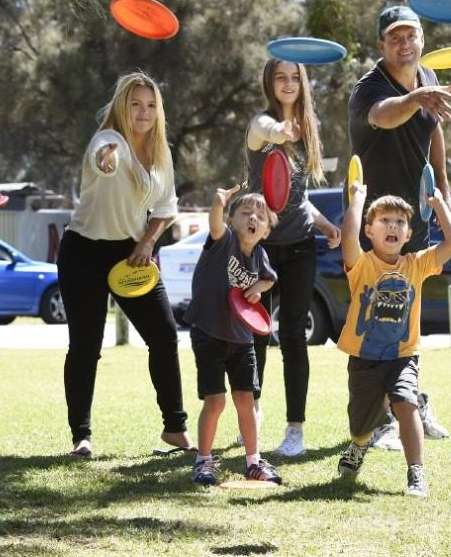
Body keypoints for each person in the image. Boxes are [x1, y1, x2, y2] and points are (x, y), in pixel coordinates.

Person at [60, 71, 193, 458]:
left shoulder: (161, 151)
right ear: (122, 106)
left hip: (132, 253)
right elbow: (103, 157)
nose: (144, 111)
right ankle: (81, 436)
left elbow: (166, 209)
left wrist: (148, 242)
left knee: (165, 336)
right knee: (86, 346)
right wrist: (107, 159)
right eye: (135, 104)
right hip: (83, 251)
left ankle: (175, 429)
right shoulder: (107, 140)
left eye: (151, 105)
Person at [347, 4, 451, 447]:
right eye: (395, 37)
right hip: (377, 224)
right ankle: (380, 419)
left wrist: (444, 190)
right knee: (375, 320)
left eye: (411, 35)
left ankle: (410, 401)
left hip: (416, 221)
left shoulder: (428, 79)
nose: (404, 43)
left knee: (408, 317)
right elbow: (385, 115)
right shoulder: (368, 88)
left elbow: (434, 132)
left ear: (422, 40)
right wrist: (414, 99)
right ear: (381, 45)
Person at [335, 181, 451, 497]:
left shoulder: (416, 264)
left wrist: (438, 205)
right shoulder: (361, 264)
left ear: (407, 235)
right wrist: (358, 199)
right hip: (364, 358)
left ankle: (416, 474)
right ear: (370, 231)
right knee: (361, 424)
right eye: (384, 221)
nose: (393, 226)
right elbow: (347, 238)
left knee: (405, 403)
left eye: (400, 222)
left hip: (403, 355)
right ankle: (359, 444)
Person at [245, 58, 341, 457]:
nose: (288, 83)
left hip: (301, 244)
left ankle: (295, 431)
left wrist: (325, 225)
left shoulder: (308, 133)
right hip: (260, 248)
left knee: (294, 340)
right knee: (255, 337)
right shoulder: (260, 125)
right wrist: (280, 129)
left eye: (295, 77)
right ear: (270, 82)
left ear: (304, 83)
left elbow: (296, 197)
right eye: (281, 77)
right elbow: (265, 130)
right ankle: (250, 414)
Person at [184, 186, 282, 485]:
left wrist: (257, 289)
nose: (253, 218)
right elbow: (214, 224)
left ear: (265, 230)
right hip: (209, 332)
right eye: (245, 213)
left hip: (242, 337)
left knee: (245, 399)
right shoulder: (223, 240)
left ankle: (253, 461)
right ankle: (203, 461)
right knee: (215, 402)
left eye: (260, 216)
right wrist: (218, 203)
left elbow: (268, 280)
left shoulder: (260, 254)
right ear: (231, 221)